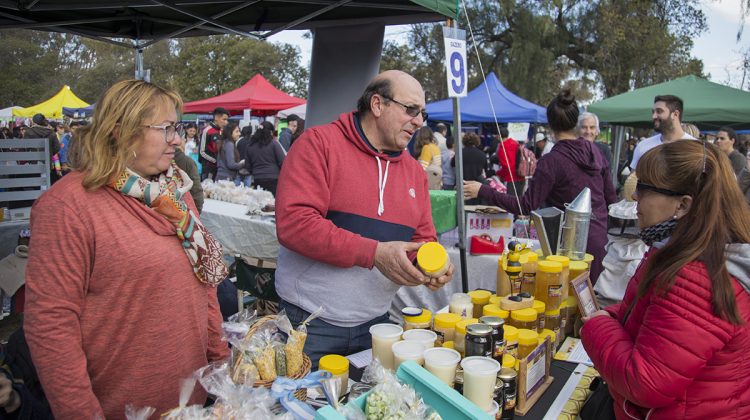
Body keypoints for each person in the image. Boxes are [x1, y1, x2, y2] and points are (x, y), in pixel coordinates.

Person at [24, 79, 230, 419]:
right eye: (166, 129)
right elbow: (51, 326)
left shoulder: (175, 195)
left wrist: (221, 362)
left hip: (192, 402)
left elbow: (203, 285)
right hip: (117, 407)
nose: (177, 140)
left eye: (176, 128)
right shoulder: (66, 207)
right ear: (121, 131)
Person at [274, 70, 454, 367]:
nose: (420, 121)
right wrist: (374, 253)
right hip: (310, 323)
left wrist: (429, 266)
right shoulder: (318, 144)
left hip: (377, 324)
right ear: (377, 104)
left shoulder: (413, 172)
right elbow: (295, 223)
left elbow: (423, 241)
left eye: (422, 113)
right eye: (411, 110)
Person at [580, 140, 750, 419]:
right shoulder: (678, 250)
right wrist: (611, 316)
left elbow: (644, 382)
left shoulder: (695, 278)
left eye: (644, 188)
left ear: (683, 205)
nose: (635, 197)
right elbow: (655, 321)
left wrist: (597, 327)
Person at [464, 89, 617, 282]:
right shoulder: (595, 152)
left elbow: (525, 206)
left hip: (570, 249)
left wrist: (483, 190)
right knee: (592, 304)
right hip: (599, 242)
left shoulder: (552, 161)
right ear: (576, 123)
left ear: (550, 126)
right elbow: (611, 199)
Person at [630, 95, 695, 170]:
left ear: (675, 114)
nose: (654, 116)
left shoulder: (694, 148)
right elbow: (633, 179)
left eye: (659, 111)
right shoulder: (643, 146)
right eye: (653, 112)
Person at [244, 121, 285, 196]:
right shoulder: (274, 144)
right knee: (272, 203)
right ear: (270, 132)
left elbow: (247, 165)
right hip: (273, 178)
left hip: (257, 178)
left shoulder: (250, 145)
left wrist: (254, 171)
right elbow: (283, 162)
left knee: (260, 202)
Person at [24, 114, 61, 184]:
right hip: (47, 162)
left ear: (34, 121)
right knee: (45, 184)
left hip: (33, 162)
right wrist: (49, 153)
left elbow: (25, 147)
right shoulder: (51, 132)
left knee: (34, 184)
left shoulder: (29, 132)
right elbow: (57, 148)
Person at [175, 132, 205, 213]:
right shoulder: (187, 162)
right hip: (184, 210)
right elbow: (196, 191)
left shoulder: (159, 158)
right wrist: (197, 212)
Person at [199, 107, 229, 181]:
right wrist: (216, 161)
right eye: (224, 119)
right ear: (216, 117)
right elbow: (202, 152)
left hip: (218, 168)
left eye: (227, 120)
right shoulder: (207, 130)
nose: (226, 122)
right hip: (208, 168)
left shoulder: (221, 131)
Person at [495, 126, 524, 196]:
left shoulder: (502, 148)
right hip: (521, 175)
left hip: (510, 178)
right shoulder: (516, 143)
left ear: (499, 136)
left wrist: (498, 173)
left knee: (510, 202)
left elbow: (506, 166)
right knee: (520, 201)